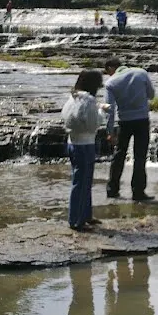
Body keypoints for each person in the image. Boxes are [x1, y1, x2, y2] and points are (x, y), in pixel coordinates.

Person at [103, 57, 155, 201]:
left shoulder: (111, 83)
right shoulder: (141, 73)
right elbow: (151, 95)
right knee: (140, 157)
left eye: (108, 72)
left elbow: (109, 109)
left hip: (124, 122)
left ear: (110, 68)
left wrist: (109, 131)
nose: (108, 75)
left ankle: (112, 190)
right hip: (142, 120)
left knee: (119, 155)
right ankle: (138, 192)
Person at [61, 69, 105, 231]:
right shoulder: (90, 101)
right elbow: (94, 124)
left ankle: (85, 215)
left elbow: (67, 117)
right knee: (82, 183)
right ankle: (75, 220)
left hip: (72, 143)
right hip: (86, 145)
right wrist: (102, 111)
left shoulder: (73, 97)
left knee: (82, 180)